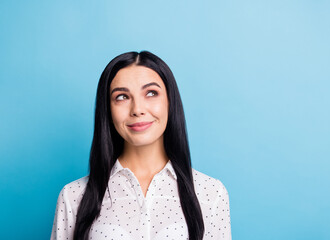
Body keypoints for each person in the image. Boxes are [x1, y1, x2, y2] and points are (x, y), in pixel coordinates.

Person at [50, 51, 231, 240]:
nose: (137, 109)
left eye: (151, 93)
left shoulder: (211, 193)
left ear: (170, 102)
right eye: (121, 97)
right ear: (108, 110)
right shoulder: (73, 196)